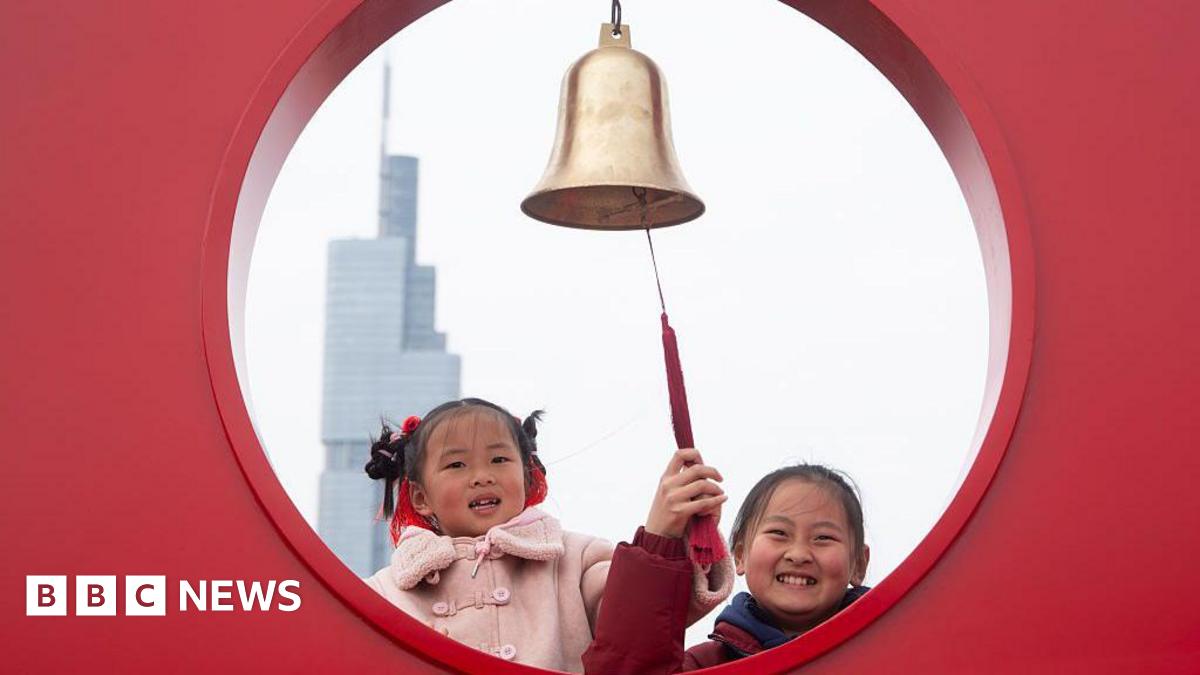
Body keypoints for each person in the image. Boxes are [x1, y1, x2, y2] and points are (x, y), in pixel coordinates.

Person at [362, 398, 733, 672]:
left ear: (527, 477)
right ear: (421, 497)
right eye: (457, 464)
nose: (481, 476)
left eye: (499, 460)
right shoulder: (387, 592)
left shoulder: (575, 559)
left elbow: (642, 629)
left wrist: (668, 534)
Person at [583, 463, 871, 673]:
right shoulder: (705, 665)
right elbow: (625, 670)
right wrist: (661, 539)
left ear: (859, 563)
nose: (798, 554)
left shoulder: (887, 646)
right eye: (779, 533)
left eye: (823, 538)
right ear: (740, 555)